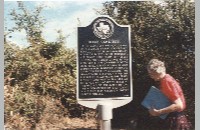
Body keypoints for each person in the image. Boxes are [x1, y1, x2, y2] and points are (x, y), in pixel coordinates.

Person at [146, 59, 192, 130]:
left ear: (156, 71)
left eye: (151, 73)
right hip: (177, 119)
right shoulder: (168, 79)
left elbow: (179, 105)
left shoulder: (167, 82)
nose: (150, 76)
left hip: (174, 121)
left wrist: (158, 112)